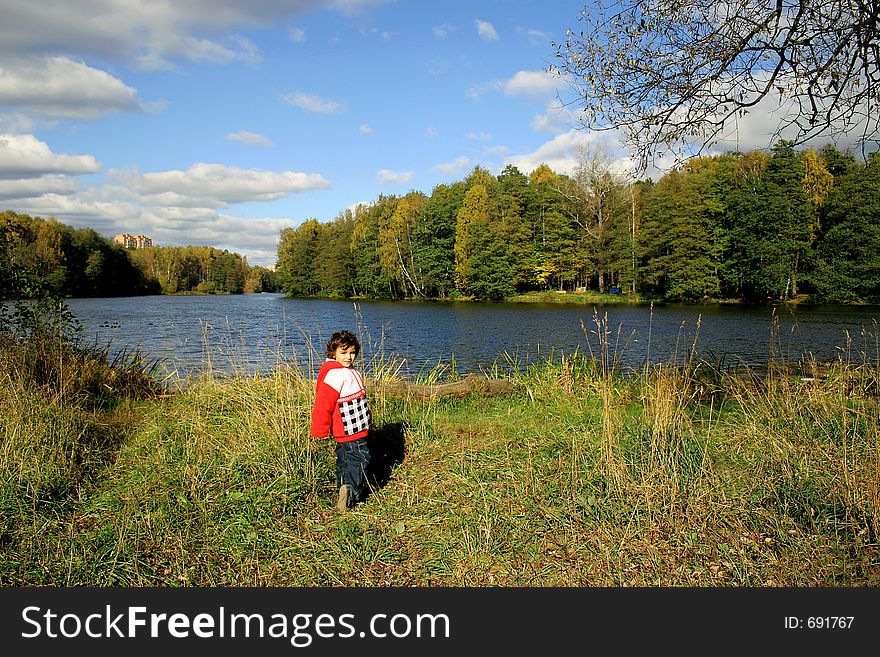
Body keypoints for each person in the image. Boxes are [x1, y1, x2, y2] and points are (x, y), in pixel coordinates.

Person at [310, 330, 371, 512]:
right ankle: (351, 493)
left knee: (345, 460)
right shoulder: (336, 375)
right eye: (343, 353)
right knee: (361, 459)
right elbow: (323, 404)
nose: (348, 357)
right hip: (350, 428)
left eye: (352, 352)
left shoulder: (346, 371)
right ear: (333, 353)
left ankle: (342, 490)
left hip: (353, 425)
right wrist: (319, 429)